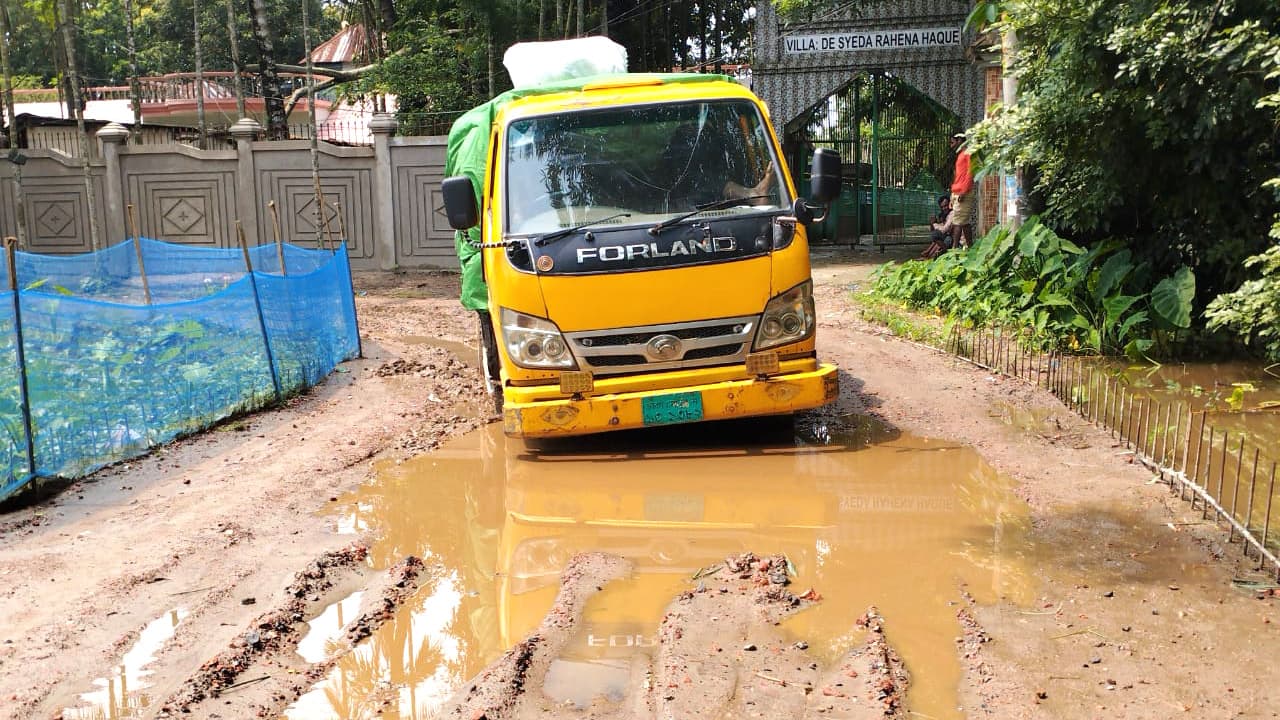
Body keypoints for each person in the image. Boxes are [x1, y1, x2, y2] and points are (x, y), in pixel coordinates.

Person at [949, 133, 975, 249]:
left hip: (963, 193)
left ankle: (954, 250)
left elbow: (970, 173)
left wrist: (963, 191)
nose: (951, 146)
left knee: (958, 222)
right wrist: (952, 195)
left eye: (952, 142)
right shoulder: (960, 155)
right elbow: (959, 176)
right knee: (963, 222)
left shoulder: (968, 154)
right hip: (957, 192)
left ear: (959, 140)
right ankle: (970, 248)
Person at [920, 194, 953, 259]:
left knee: (937, 236)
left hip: (952, 239)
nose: (944, 208)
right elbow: (934, 230)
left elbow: (944, 230)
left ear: (950, 204)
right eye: (942, 207)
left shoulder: (952, 213)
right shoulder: (943, 215)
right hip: (946, 236)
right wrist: (932, 223)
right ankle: (929, 253)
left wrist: (934, 223)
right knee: (936, 236)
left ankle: (941, 252)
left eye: (946, 206)